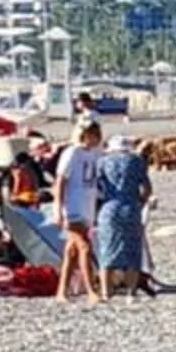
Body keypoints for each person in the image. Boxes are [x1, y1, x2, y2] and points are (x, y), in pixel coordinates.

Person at [92, 127, 154, 297]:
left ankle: (106, 291)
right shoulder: (136, 161)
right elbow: (147, 188)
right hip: (131, 206)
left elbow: (96, 187)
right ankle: (131, 291)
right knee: (132, 249)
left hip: (109, 207)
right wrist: (140, 202)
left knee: (107, 249)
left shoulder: (102, 162)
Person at [54, 115, 105, 303]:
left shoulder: (93, 154)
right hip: (73, 206)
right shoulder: (72, 153)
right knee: (84, 246)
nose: (97, 138)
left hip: (87, 207)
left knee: (72, 251)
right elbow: (61, 181)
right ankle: (91, 291)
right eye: (93, 134)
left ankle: (61, 291)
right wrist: (58, 208)